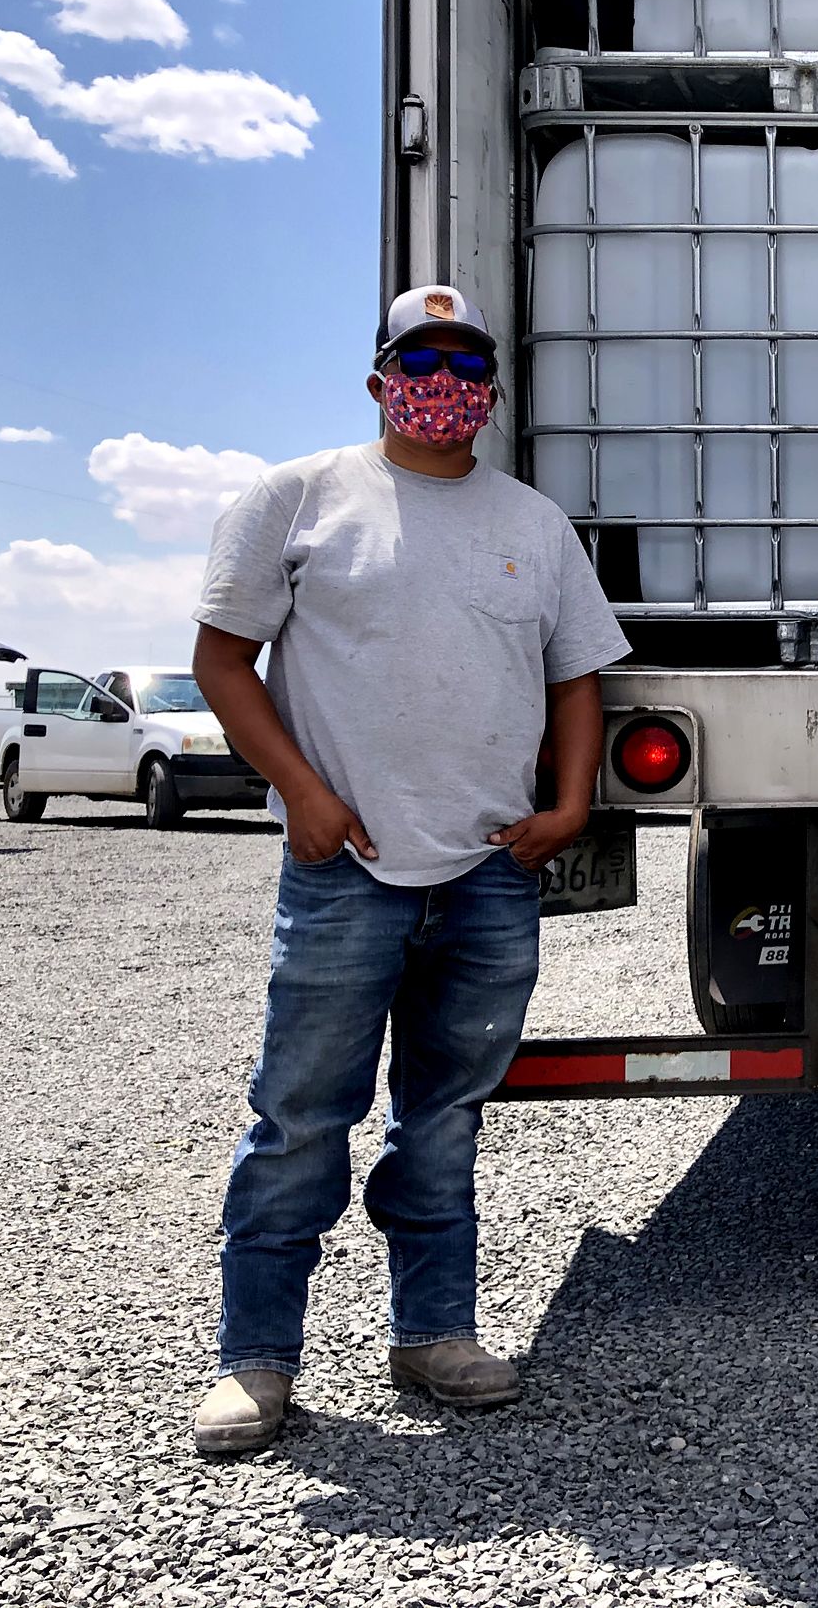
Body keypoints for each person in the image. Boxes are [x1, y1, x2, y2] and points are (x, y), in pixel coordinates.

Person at [186, 285, 629, 1455]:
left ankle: (432, 1334)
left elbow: (577, 675)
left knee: (442, 1118)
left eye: (465, 363)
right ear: (379, 376)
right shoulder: (298, 497)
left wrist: (569, 803)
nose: (445, 383)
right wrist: (306, 795)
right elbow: (223, 662)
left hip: (487, 869)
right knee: (299, 1117)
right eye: (419, 361)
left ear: (490, 385)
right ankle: (257, 1362)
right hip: (347, 867)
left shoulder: (531, 523)